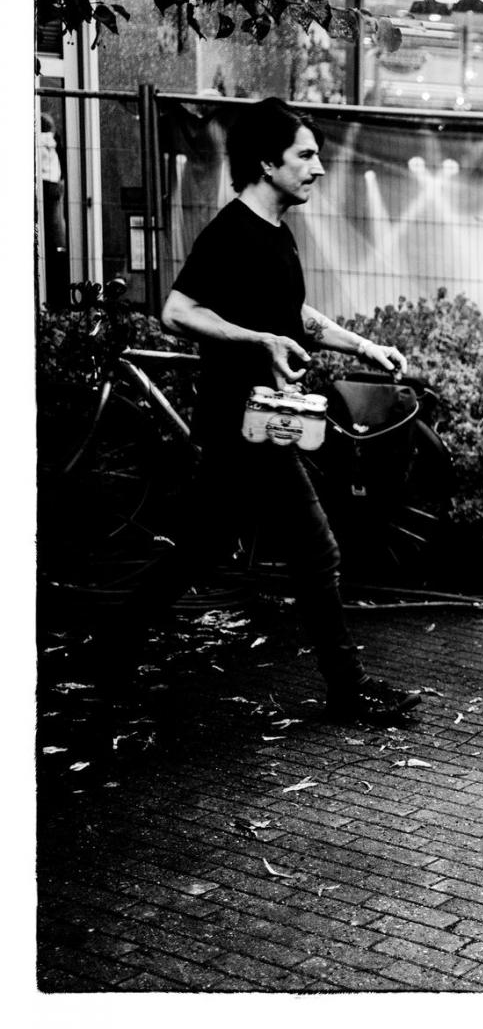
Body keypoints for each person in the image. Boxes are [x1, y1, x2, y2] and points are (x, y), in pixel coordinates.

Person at [139, 98, 423, 725]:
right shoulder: (230, 231)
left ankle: (111, 644)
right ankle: (348, 692)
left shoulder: (275, 233)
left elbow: (293, 316)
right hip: (242, 426)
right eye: (306, 155)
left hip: (262, 423)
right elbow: (178, 312)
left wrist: (364, 345)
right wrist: (256, 341)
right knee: (317, 551)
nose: (318, 169)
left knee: (200, 549)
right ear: (267, 162)